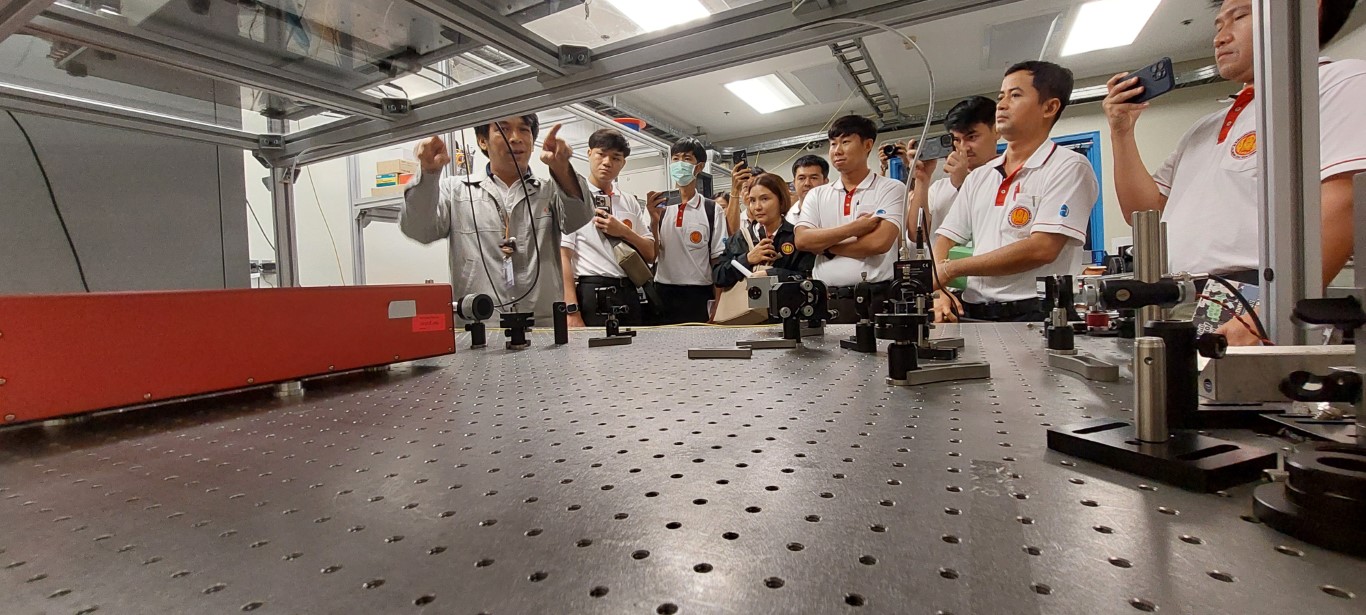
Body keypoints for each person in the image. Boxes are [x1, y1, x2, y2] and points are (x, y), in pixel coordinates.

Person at [1104, 0, 1366, 344]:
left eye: (1239, 16)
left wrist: (1267, 315)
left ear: (1303, 10)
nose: (1220, 37)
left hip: (1260, 300)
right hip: (1187, 301)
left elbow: (1344, 199)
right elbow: (1144, 213)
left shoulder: (1338, 81)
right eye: (1218, 25)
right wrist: (1121, 132)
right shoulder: (1203, 128)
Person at [932, 61, 1099, 323]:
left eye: (1015, 95)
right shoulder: (980, 177)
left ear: (1049, 107)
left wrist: (951, 269)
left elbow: (1042, 248)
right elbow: (945, 239)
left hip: (1036, 314)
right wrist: (940, 289)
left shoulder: (1068, 166)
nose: (1002, 105)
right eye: (1001, 96)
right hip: (974, 312)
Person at [401, 114, 592, 324]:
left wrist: (562, 169)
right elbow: (420, 230)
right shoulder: (456, 190)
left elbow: (579, 217)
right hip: (479, 324)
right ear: (482, 141)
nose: (516, 138)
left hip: (542, 325)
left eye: (524, 129)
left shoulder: (549, 191)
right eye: (504, 129)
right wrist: (428, 174)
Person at [793, 115, 906, 323]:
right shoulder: (817, 194)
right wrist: (855, 228)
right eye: (833, 143)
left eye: (845, 142)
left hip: (876, 299)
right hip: (826, 300)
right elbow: (802, 240)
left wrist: (826, 247)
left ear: (867, 145)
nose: (837, 150)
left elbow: (879, 243)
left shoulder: (890, 188)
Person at [559, 128, 657, 327]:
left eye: (615, 158)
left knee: (635, 346)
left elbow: (650, 254)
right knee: (591, 348)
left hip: (629, 292)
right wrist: (571, 310)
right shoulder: (572, 198)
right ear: (589, 153)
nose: (607, 162)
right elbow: (563, 256)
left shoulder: (629, 201)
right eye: (601, 154)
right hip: (591, 292)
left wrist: (623, 231)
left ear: (623, 163)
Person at [646, 138, 727, 324]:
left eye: (687, 158)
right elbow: (650, 255)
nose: (679, 163)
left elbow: (717, 261)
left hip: (699, 295)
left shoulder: (712, 210)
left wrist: (719, 304)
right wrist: (653, 221)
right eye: (675, 159)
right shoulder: (658, 207)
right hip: (662, 293)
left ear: (699, 167)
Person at [905, 96, 1001, 240]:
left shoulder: (1011, 177)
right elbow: (917, 236)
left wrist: (963, 185)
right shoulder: (939, 188)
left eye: (972, 137)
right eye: (956, 140)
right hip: (940, 255)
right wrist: (922, 179)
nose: (964, 147)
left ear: (996, 131)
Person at [715, 172, 817, 293]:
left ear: (781, 200)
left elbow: (809, 276)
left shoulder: (796, 237)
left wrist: (771, 274)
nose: (757, 207)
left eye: (764, 199)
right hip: (746, 304)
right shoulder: (740, 238)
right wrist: (747, 259)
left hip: (787, 303)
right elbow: (718, 276)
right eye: (752, 200)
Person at [788, 155, 831, 225]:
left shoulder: (837, 209)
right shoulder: (788, 217)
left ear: (825, 182)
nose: (807, 183)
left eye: (813, 178)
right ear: (794, 183)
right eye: (801, 178)